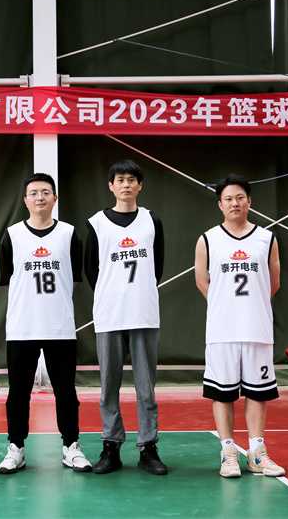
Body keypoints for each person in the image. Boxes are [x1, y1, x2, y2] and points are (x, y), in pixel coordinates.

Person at [0, 173, 92, 474]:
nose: (40, 197)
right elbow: (9, 280)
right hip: (22, 326)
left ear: (55, 198)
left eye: (46, 192)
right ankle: (16, 448)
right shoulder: (12, 235)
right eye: (34, 192)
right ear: (25, 200)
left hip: (59, 326)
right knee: (18, 392)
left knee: (66, 391)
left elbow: (72, 279)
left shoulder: (69, 234)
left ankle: (71, 446)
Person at [193, 174, 285, 478]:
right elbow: (202, 281)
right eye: (229, 199)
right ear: (220, 205)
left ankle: (257, 454)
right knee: (222, 393)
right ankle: (229, 454)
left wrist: (250, 307)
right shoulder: (208, 239)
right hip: (222, 331)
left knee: (259, 391)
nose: (235, 203)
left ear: (249, 201)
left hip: (257, 328)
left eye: (240, 197)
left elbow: (273, 283)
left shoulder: (267, 238)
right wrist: (226, 307)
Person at [84, 159, 167, 475]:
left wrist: (137, 293)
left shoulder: (152, 220)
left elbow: (157, 266)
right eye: (120, 179)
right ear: (111, 185)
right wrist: (113, 294)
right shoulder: (96, 223)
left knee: (146, 388)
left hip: (143, 314)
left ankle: (148, 447)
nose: (126, 184)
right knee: (109, 386)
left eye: (132, 179)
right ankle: (111, 446)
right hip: (109, 315)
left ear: (140, 185)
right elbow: (91, 269)